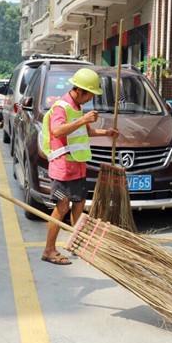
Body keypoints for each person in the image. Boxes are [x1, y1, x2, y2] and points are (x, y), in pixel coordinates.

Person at [39, 67, 118, 265]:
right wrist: (83, 119)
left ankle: (76, 244)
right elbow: (57, 130)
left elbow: (86, 132)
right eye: (90, 94)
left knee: (80, 204)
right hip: (62, 169)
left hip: (78, 166)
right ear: (80, 90)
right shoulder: (62, 107)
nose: (91, 98)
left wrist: (106, 132)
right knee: (62, 206)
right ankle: (49, 250)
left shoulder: (77, 107)